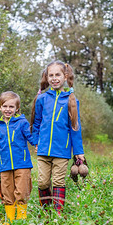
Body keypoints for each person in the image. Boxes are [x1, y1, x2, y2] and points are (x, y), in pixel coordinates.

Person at [30, 60, 85, 215]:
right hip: (43, 149)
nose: (54, 78)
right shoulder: (42, 99)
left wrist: (78, 151)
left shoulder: (71, 100)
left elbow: (75, 129)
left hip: (61, 150)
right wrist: (36, 141)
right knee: (43, 182)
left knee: (58, 182)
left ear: (65, 76)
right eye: (51, 75)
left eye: (58, 75)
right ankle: (46, 211)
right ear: (47, 78)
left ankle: (57, 214)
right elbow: (36, 122)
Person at [0, 91, 34, 224]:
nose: (8, 110)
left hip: (22, 164)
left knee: (21, 192)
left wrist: (38, 143)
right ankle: (10, 220)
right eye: (5, 106)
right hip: (5, 166)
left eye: (11, 107)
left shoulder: (22, 123)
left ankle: (21, 219)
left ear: (17, 109)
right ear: (0, 107)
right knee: (7, 193)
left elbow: (30, 137)